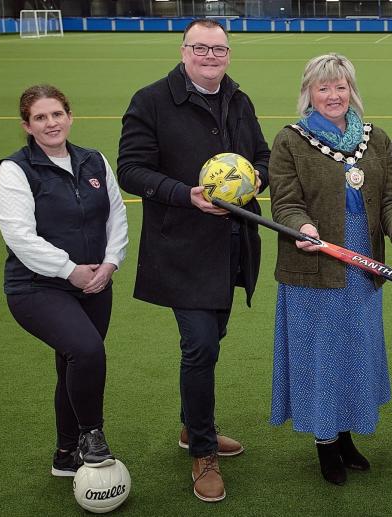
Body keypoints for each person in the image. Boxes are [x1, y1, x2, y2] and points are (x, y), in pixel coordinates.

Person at [117, 18, 270, 502]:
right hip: (182, 247)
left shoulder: (239, 100)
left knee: (213, 338)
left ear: (229, 54)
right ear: (183, 51)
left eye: (219, 49)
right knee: (200, 345)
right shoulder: (151, 100)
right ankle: (202, 449)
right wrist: (185, 194)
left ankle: (190, 425)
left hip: (231, 245)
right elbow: (129, 169)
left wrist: (256, 179)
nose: (210, 56)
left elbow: (262, 156)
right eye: (200, 48)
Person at [269, 53, 392, 486]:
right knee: (321, 356)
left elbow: (390, 196)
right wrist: (302, 227)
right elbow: (285, 202)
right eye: (323, 87)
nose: (333, 95)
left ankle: (346, 436)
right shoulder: (290, 140)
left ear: (351, 90)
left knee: (354, 352)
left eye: (340, 86)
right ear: (308, 93)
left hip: (362, 266)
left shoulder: (376, 138)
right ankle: (325, 443)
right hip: (313, 267)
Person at [0, 85, 128, 477]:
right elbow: (19, 236)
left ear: (69, 116)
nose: (51, 123)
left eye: (56, 114)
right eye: (40, 117)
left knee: (72, 364)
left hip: (96, 283)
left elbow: (115, 216)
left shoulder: (94, 160)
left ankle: (66, 454)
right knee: (86, 352)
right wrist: (70, 269)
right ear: (27, 126)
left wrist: (110, 263)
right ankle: (92, 434)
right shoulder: (14, 170)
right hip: (36, 287)